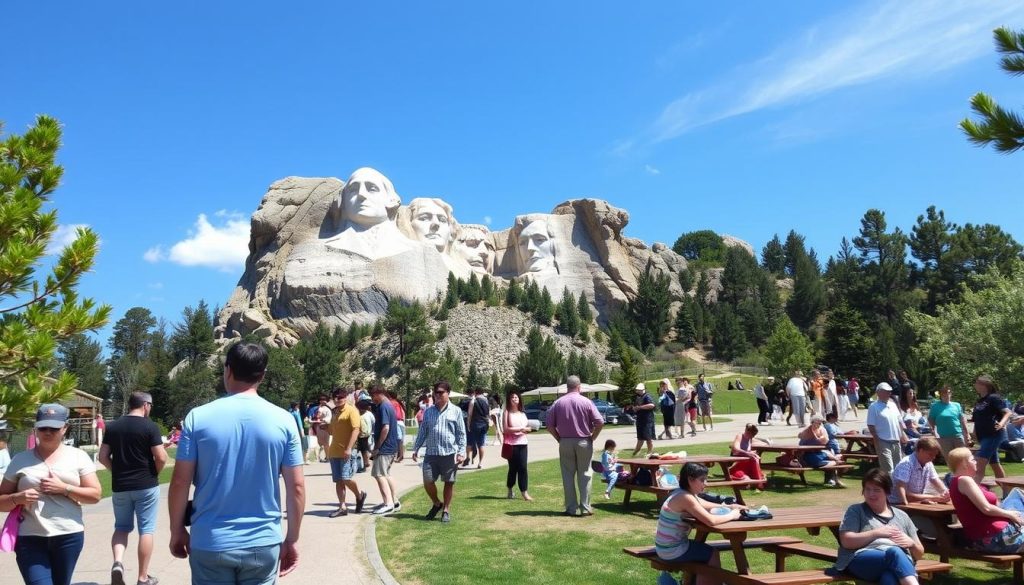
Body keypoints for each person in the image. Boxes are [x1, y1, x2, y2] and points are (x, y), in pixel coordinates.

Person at [168, 342, 305, 584]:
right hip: (262, 542)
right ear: (262, 375)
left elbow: (180, 482)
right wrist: (291, 539)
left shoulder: (197, 418)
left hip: (210, 540)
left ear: (227, 370)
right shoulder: (284, 421)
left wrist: (176, 529)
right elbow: (296, 488)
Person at [1, 404, 103, 585]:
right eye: (43, 428)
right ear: (36, 428)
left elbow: (95, 495)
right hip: (30, 538)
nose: (48, 432)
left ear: (65, 428)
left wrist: (65, 489)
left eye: (54, 428)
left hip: (68, 535)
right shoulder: (20, 460)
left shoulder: (78, 457)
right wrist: (18, 498)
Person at [99, 391, 168, 585]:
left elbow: (102, 457)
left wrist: (116, 471)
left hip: (121, 486)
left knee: (121, 527)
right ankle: (142, 577)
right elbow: (161, 457)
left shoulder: (113, 427)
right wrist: (155, 472)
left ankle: (118, 563)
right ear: (145, 405)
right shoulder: (150, 426)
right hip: (145, 485)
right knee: (146, 529)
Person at [653, 462, 745, 585]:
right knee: (712, 554)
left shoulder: (680, 492)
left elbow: (702, 504)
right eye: (702, 480)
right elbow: (711, 521)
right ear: (690, 480)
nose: (705, 483)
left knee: (703, 552)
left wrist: (729, 506)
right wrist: (732, 515)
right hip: (673, 550)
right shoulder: (686, 498)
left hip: (666, 547)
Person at [834, 469, 924, 585]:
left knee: (889, 577)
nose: (871, 494)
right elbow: (846, 541)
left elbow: (920, 554)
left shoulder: (902, 516)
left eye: (877, 490)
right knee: (894, 552)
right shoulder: (856, 511)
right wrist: (877, 533)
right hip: (859, 560)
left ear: (888, 492)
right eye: (867, 489)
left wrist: (911, 544)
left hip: (897, 564)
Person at [546, 375, 604, 517]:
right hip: (584, 441)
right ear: (579, 387)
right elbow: (600, 422)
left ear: (567, 387)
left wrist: (558, 438)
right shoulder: (586, 402)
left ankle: (571, 508)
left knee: (567, 475)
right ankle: (585, 507)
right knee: (585, 474)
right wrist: (593, 437)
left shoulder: (558, 403)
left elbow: (549, 425)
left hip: (565, 441)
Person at [946, 447, 1024, 553]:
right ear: (964, 464)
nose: (976, 462)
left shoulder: (962, 481)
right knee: (1018, 494)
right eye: (972, 459)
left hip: (994, 534)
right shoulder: (964, 480)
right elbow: (986, 508)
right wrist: (1010, 514)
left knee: (1016, 492)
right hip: (995, 537)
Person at [411, 380, 467, 523]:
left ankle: (446, 510)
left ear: (448, 393)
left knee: (449, 482)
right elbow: (423, 431)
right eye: (435, 392)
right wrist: (416, 448)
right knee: (428, 480)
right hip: (431, 453)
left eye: (441, 392)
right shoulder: (428, 412)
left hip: (449, 453)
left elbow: (461, 433)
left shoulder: (456, 411)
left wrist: (461, 452)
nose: (437, 395)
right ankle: (437, 503)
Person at [327, 388, 367, 517]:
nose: (338, 400)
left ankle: (359, 495)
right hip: (334, 450)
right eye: (335, 397)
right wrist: (324, 426)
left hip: (347, 450)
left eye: (340, 397)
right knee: (338, 480)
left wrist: (349, 448)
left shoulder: (351, 411)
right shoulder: (335, 412)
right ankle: (342, 507)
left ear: (345, 398)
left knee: (346, 478)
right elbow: (332, 431)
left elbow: (356, 430)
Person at [972, 374, 1012, 482]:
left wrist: (1002, 423)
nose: (974, 385)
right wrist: (974, 432)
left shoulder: (994, 398)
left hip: (993, 434)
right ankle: (1006, 491)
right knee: (995, 464)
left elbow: (1008, 412)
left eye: (976, 383)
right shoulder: (979, 401)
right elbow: (976, 419)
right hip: (983, 436)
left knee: (979, 465)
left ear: (983, 385)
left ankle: (971, 494)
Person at [889, 438, 950, 506]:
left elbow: (934, 479)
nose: (933, 457)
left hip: (915, 501)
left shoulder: (928, 463)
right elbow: (902, 490)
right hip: (898, 504)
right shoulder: (906, 463)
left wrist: (945, 492)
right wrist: (934, 498)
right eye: (930, 454)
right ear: (921, 450)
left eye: (935, 455)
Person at [369, 386, 400, 515]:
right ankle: (395, 501)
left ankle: (388, 503)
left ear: (379, 394)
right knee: (386, 473)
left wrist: (377, 447)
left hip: (385, 448)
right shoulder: (389, 405)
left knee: (379, 474)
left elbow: (385, 428)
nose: (372, 399)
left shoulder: (383, 407)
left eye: (373, 396)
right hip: (391, 446)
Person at [868, 383, 908, 473]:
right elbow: (871, 425)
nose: (888, 394)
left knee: (898, 467)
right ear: (878, 393)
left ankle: (896, 486)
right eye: (886, 392)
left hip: (896, 440)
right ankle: (889, 486)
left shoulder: (893, 405)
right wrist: (876, 439)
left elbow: (899, 421)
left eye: (889, 392)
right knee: (888, 468)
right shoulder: (873, 407)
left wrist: (903, 434)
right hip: (882, 440)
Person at [501, 390, 533, 501]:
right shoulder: (506, 413)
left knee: (523, 468)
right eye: (512, 397)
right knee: (513, 468)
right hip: (512, 445)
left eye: (516, 397)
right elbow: (505, 429)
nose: (515, 399)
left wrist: (528, 429)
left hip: (523, 443)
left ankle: (524, 492)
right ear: (509, 400)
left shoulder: (522, 413)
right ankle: (510, 489)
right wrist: (521, 429)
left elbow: (526, 426)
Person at [799, 415, 845, 487]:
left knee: (832, 456)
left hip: (819, 453)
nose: (818, 425)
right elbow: (800, 437)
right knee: (834, 462)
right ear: (812, 422)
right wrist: (814, 435)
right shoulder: (807, 430)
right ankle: (834, 479)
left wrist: (821, 438)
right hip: (809, 455)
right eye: (817, 423)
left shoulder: (822, 430)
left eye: (820, 423)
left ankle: (833, 479)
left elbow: (825, 441)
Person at [927, 385, 971, 460]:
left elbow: (962, 420)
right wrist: (933, 430)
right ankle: (953, 472)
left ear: (951, 394)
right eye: (944, 393)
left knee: (963, 458)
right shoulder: (935, 406)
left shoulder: (956, 405)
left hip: (958, 435)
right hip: (944, 437)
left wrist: (967, 433)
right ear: (941, 394)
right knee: (950, 459)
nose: (946, 395)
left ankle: (964, 472)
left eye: (948, 393)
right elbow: (931, 419)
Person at [728, 424, 768, 489]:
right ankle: (759, 483)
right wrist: (747, 453)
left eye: (753, 435)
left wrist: (751, 453)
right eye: (751, 434)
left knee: (754, 458)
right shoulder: (739, 436)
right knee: (753, 461)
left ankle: (758, 482)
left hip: (746, 465)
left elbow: (758, 442)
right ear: (747, 431)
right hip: (737, 465)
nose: (752, 436)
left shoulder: (750, 439)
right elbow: (736, 448)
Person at [464, 387, 490, 469]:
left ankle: (468, 457)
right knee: (481, 444)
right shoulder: (486, 401)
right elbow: (487, 414)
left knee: (469, 442)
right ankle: (480, 462)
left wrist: (468, 424)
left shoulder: (473, 401)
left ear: (475, 392)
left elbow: (469, 414)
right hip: (484, 424)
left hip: (474, 424)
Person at [631, 383, 656, 455]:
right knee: (640, 437)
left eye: (639, 390)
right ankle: (635, 452)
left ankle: (650, 452)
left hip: (647, 420)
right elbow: (636, 406)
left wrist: (640, 407)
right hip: (640, 420)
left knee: (648, 437)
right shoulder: (638, 397)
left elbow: (652, 405)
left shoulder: (647, 397)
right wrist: (635, 408)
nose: (637, 392)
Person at [386, 390, 406, 462]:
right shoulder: (398, 403)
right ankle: (400, 454)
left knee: (398, 439)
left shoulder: (390, 403)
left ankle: (399, 455)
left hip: (396, 422)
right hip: (401, 422)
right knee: (401, 439)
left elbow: (391, 413)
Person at [356, 399, 374, 472]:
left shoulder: (368, 414)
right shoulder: (357, 414)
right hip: (358, 435)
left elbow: (373, 422)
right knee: (362, 450)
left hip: (365, 435)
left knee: (364, 450)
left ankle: (366, 463)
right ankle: (363, 463)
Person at [315, 395, 332, 462]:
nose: (322, 401)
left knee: (324, 443)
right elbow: (318, 416)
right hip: (324, 425)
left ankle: (327, 457)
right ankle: (325, 457)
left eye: (323, 400)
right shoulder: (325, 408)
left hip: (324, 425)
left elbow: (319, 416)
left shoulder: (324, 408)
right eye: (321, 400)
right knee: (323, 443)